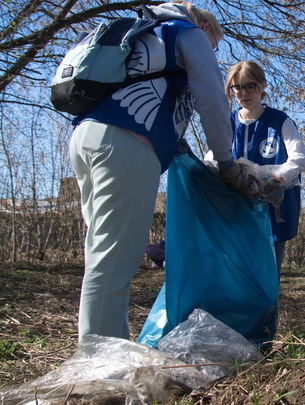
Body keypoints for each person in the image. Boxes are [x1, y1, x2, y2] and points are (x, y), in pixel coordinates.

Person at [69, 1, 260, 342]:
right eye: (213, 45)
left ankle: (99, 343)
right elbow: (213, 99)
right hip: (127, 146)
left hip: (87, 138)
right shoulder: (185, 31)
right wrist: (225, 160)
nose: (211, 50)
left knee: (102, 251)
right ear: (206, 30)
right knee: (115, 259)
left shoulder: (145, 32)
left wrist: (177, 143)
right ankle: (102, 357)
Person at [224, 60, 305, 275]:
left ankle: (268, 309)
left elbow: (299, 158)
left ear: (262, 85)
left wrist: (276, 179)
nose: (244, 93)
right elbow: (213, 159)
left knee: (267, 272)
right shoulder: (228, 123)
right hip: (235, 209)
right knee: (237, 272)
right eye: (237, 88)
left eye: (249, 86)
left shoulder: (280, 121)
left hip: (273, 209)